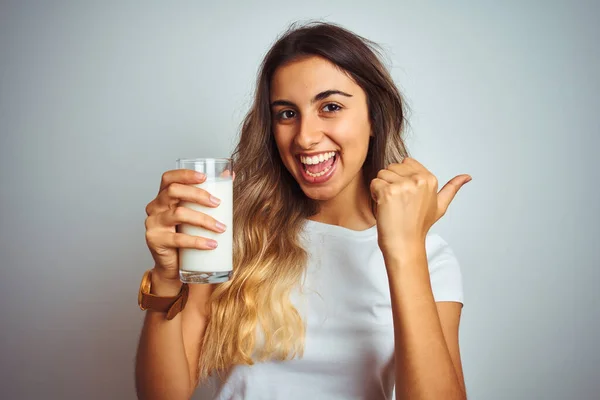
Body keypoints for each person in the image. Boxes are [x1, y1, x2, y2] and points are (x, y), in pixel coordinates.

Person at [135, 21, 472, 400]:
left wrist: (404, 249)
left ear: (374, 118)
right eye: (286, 114)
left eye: (330, 107)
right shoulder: (233, 233)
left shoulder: (430, 257)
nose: (305, 137)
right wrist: (166, 279)